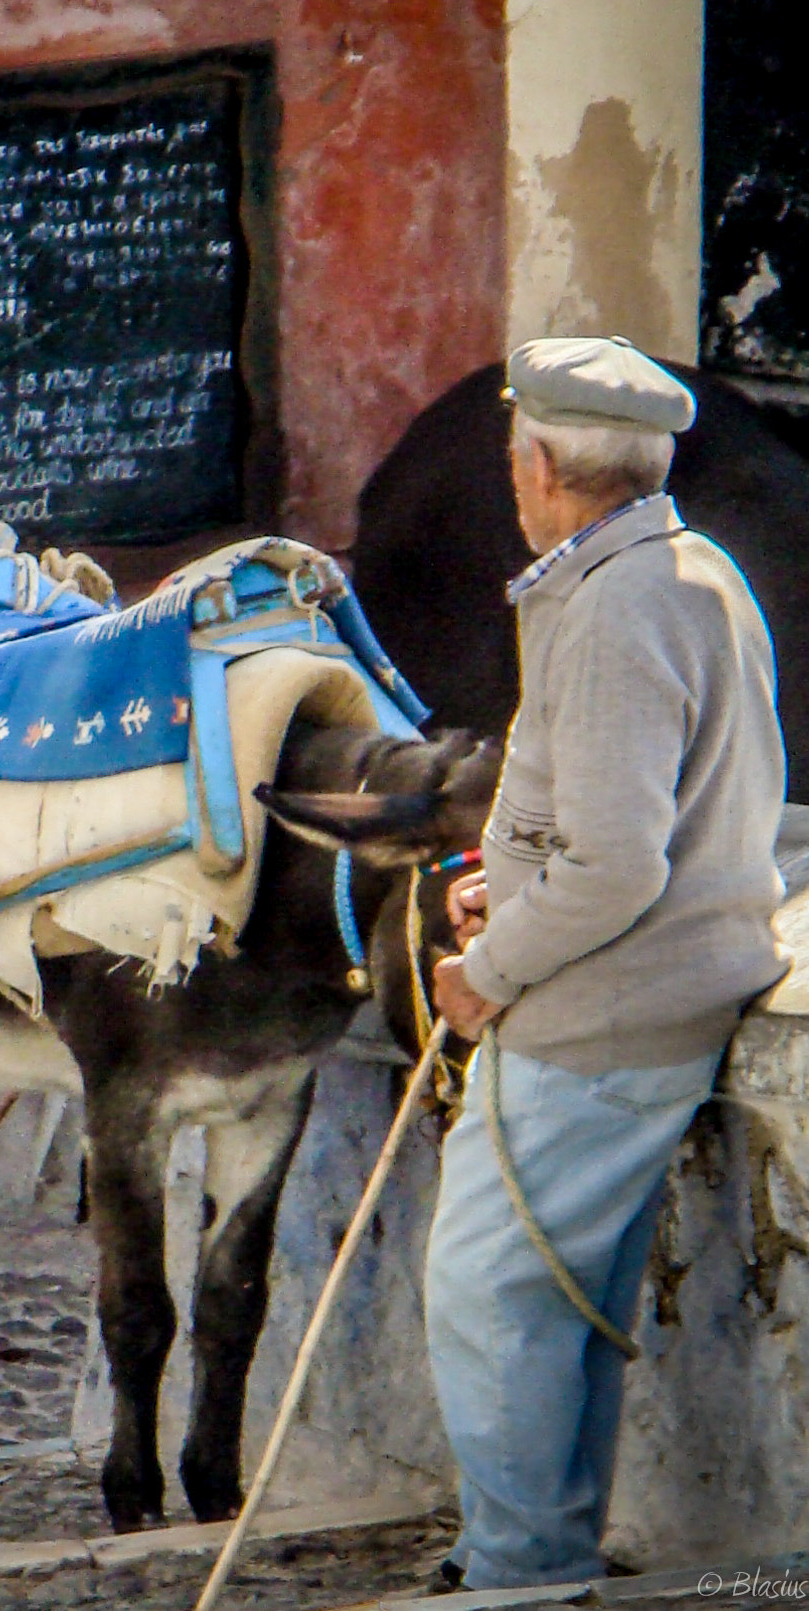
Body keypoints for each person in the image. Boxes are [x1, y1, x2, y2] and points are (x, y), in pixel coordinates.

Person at [427, 334, 788, 1590]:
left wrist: (489, 968)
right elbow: (627, 822)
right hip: (658, 996)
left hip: (596, 1019)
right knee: (548, 1308)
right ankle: (536, 1559)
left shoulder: (617, 604)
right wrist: (501, 881)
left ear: (536, 461)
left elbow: (618, 868)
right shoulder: (684, 572)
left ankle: (519, 1574)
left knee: (486, 1298)